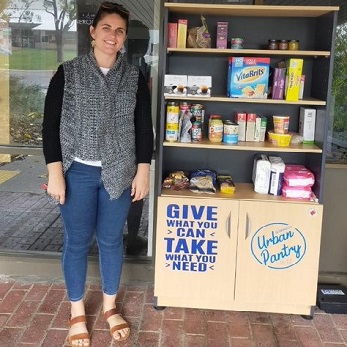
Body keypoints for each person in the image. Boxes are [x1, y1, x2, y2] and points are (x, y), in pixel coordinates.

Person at [42, 2, 153, 346]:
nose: (113, 36)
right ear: (93, 32)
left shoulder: (134, 77)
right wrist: (56, 173)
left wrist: (143, 170)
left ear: (124, 39)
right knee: (76, 242)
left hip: (119, 173)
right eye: (106, 28)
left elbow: (143, 128)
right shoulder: (68, 72)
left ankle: (108, 307)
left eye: (119, 30)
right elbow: (50, 125)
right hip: (77, 173)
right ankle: (76, 310)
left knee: (110, 241)